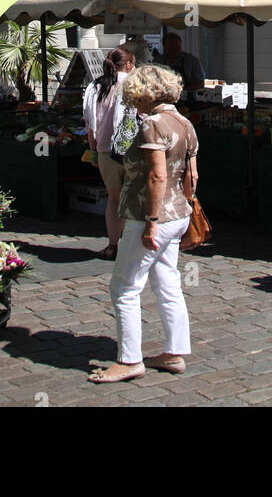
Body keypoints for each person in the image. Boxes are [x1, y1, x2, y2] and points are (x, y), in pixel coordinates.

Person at [88, 64, 198, 383]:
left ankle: (129, 359)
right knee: (167, 282)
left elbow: (156, 175)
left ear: (143, 92)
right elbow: (192, 176)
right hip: (178, 213)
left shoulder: (152, 124)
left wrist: (151, 221)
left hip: (151, 215)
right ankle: (174, 351)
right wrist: (185, 207)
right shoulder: (184, 122)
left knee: (124, 286)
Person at [82, 46, 136, 261]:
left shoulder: (96, 86)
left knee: (114, 200)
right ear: (129, 64)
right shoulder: (135, 84)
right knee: (136, 200)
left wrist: (94, 151)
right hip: (134, 151)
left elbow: (89, 124)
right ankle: (134, 247)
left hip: (106, 150)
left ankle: (113, 246)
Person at [154, 30, 205, 96]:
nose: (174, 49)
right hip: (164, 98)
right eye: (171, 47)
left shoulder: (192, 61)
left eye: (177, 46)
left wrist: (182, 90)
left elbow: (201, 82)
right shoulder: (158, 62)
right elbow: (152, 82)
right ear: (164, 47)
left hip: (189, 98)